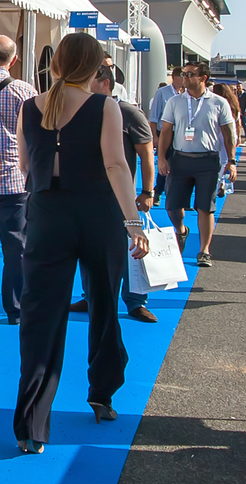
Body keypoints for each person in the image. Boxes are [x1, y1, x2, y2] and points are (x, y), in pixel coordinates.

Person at [13, 32, 149, 454]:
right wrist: (133, 223)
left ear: (55, 65)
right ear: (95, 68)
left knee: (40, 316)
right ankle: (102, 394)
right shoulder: (105, 106)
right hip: (98, 215)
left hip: (46, 215)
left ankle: (31, 424)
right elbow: (116, 165)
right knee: (104, 304)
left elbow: (25, 165)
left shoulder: (28, 107)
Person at [69, 64, 158, 323]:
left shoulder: (129, 113)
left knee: (131, 248)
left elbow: (146, 156)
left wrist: (147, 191)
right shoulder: (81, 111)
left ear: (105, 83)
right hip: (87, 194)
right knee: (89, 248)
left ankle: (135, 301)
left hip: (120, 195)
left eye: (89, 81)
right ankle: (90, 296)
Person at [158, 62, 237, 267]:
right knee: (172, 206)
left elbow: (228, 134)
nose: (184, 78)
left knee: (205, 207)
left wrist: (231, 161)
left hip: (208, 161)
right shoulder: (175, 101)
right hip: (180, 159)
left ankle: (204, 250)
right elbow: (166, 131)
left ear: (203, 78)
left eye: (190, 74)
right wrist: (162, 158)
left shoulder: (218, 102)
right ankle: (181, 230)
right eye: (183, 74)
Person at [0, 35, 37, 325]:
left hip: (13, 181)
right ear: (13, 60)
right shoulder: (23, 90)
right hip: (13, 180)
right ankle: (15, 308)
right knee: (16, 249)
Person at [149, 66, 183, 206]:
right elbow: (153, 116)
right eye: (182, 76)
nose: (185, 79)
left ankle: (178, 195)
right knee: (164, 162)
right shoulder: (162, 93)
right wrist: (155, 137)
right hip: (164, 132)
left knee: (181, 165)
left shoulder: (187, 94)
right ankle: (158, 191)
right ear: (174, 77)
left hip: (181, 133)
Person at [212, 83, 241, 195]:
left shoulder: (217, 103)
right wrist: (238, 136)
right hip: (231, 135)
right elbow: (238, 122)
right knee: (224, 161)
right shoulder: (234, 105)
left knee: (218, 162)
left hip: (218, 135)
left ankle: (218, 184)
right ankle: (221, 182)